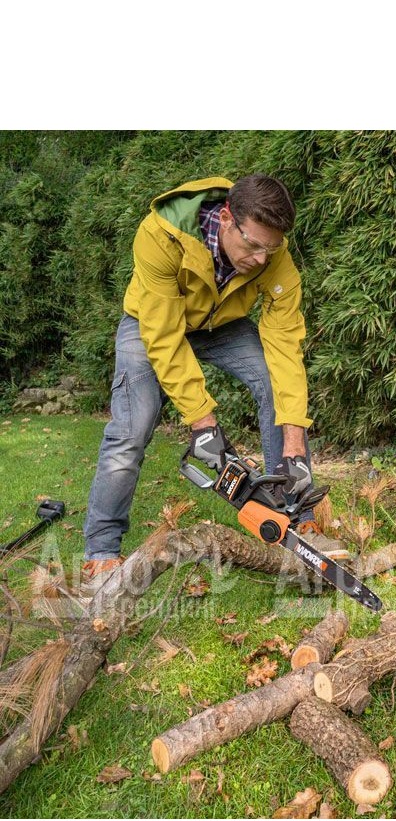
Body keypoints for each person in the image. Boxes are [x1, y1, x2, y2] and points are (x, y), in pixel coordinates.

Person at [81, 174, 345, 593]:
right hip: (151, 324)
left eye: (271, 248)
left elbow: (285, 346)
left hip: (220, 325)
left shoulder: (274, 254)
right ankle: (101, 552)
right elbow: (165, 338)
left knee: (272, 381)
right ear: (225, 219)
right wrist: (203, 423)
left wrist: (294, 442)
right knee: (132, 428)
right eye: (253, 246)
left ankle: (296, 518)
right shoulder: (160, 236)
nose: (261, 259)